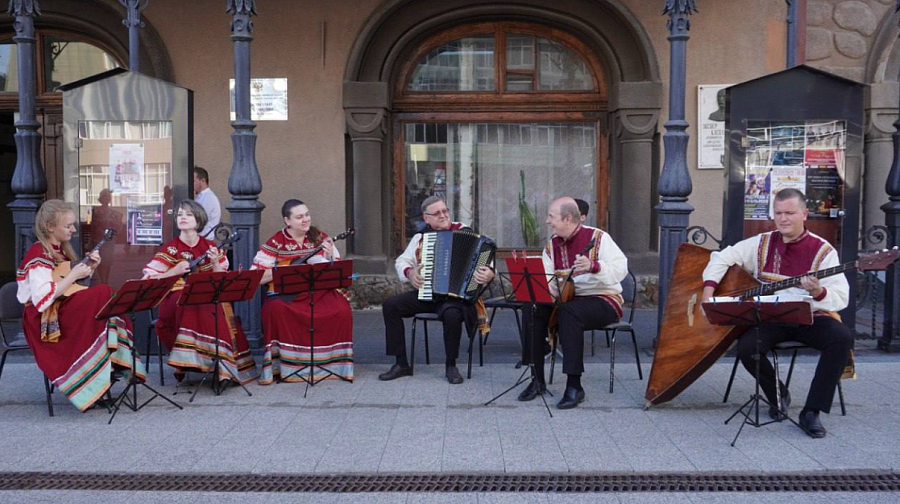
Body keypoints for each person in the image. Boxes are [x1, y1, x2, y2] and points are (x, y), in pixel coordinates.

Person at [701, 188, 852, 438]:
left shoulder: (823, 251)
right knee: (747, 348)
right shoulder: (761, 243)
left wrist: (817, 292)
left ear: (804, 214)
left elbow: (841, 297)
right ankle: (777, 394)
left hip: (810, 317)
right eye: (778, 213)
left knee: (841, 338)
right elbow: (721, 257)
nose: (783, 219)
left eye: (790, 213)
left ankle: (812, 411)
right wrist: (709, 290)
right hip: (771, 317)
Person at [16, 199, 145, 412]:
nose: (74, 230)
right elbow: (42, 300)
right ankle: (104, 371)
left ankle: (107, 368)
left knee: (103, 297)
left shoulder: (60, 251)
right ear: (50, 227)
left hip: (59, 310)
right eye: (68, 226)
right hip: (42, 320)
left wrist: (90, 269)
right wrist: (75, 273)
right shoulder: (38, 255)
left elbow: (73, 287)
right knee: (103, 294)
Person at [518, 197, 628, 409]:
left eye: (551, 216)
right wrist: (545, 292)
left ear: (567, 218)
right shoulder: (552, 245)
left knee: (570, 312)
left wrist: (594, 266)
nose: (547, 221)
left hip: (603, 299)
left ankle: (574, 385)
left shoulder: (598, 238)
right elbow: (548, 278)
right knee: (532, 308)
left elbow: (620, 269)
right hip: (567, 300)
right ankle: (536, 380)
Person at [378, 196, 494, 384]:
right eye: (437, 213)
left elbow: (486, 261)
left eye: (445, 211)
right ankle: (401, 363)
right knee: (391, 305)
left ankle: (451, 365)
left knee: (451, 314)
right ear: (426, 218)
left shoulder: (464, 232)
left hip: (456, 298)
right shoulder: (421, 237)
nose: (443, 215)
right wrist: (410, 273)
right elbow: (402, 261)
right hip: (428, 294)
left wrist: (489, 273)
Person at [142, 200, 258, 385]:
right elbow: (147, 282)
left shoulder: (209, 246)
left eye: (188, 214)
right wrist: (174, 271)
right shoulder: (170, 248)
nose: (183, 218)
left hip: (203, 299)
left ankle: (223, 368)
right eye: (180, 214)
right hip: (174, 301)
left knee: (208, 301)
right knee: (191, 300)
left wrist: (215, 264)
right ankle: (204, 362)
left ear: (199, 219)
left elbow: (222, 282)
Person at [251, 199, 353, 384]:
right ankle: (289, 366)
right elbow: (256, 277)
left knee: (341, 309)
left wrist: (329, 256)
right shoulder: (276, 242)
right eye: (299, 217)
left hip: (318, 292)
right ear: (287, 221)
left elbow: (338, 271)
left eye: (307, 215)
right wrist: (286, 268)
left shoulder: (320, 237)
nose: (306, 219)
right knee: (276, 309)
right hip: (287, 295)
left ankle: (332, 366)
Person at [193, 166, 221, 238]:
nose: (191, 184)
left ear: (202, 181)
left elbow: (200, 219)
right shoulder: (201, 196)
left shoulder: (209, 197)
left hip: (205, 239)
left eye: (194, 181)